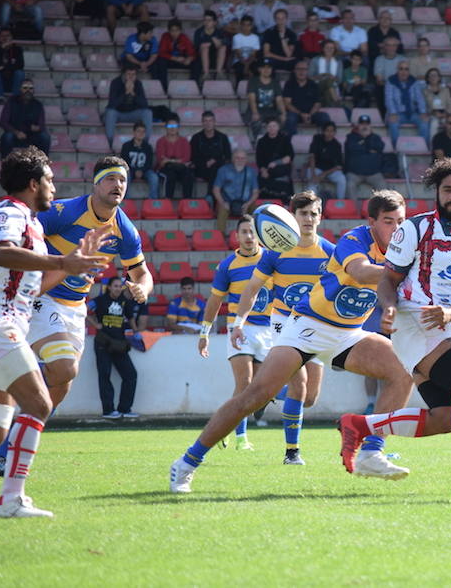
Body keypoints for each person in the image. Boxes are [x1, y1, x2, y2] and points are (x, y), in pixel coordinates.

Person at [170, 191, 412, 492]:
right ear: (372, 221)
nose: (397, 227)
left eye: (401, 221)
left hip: (348, 333)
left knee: (402, 370)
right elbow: (362, 274)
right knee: (254, 395)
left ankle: (371, 452)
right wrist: (406, 273)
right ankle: (186, 463)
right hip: (306, 326)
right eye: (389, 221)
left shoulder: (403, 249)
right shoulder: (354, 239)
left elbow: (401, 290)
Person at [337, 160, 451, 494]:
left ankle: (361, 425)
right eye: (446, 189)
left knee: (448, 416)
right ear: (437, 193)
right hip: (413, 318)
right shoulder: (414, 229)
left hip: (444, 323)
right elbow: (389, 280)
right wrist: (388, 308)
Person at [0, 156, 151, 481]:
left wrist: (142, 287)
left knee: (60, 386)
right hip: (42, 297)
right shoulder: (64, 212)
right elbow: (23, 243)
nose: (118, 185)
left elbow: (141, 271)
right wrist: (63, 264)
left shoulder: (124, 229)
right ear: (96, 183)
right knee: (63, 368)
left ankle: (4, 456)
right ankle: (14, 381)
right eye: (111, 179)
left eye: (123, 181)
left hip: (74, 307)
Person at [0, 148, 108, 517]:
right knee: (38, 404)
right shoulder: (8, 212)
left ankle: (10, 500)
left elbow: (31, 287)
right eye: (49, 179)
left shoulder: (32, 224)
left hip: (3, 324)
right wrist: (62, 260)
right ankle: (11, 500)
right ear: (33, 183)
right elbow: (1, 253)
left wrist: (72, 267)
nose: (54, 186)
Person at [231, 192, 335, 465]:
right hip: (284, 324)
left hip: (317, 325)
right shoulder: (274, 253)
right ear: (292, 217)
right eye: (303, 214)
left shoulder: (331, 252)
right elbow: (252, 290)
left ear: (320, 216)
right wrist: (238, 323)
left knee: (309, 398)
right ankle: (292, 453)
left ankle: (268, 392)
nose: (309, 219)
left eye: (314, 213)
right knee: (298, 386)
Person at [193, 215, 275, 452]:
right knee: (245, 384)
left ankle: (222, 426)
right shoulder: (228, 265)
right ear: (237, 236)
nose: (249, 237)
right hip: (239, 329)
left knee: (259, 391)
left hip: (268, 331)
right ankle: (241, 439)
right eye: (244, 232)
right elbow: (215, 300)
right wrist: (204, 332)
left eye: (252, 232)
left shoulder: (271, 260)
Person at [87, 277, 139, 420]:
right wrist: (95, 324)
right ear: (109, 287)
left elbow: (131, 318)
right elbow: (84, 310)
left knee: (131, 375)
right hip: (103, 343)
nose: (117, 288)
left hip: (119, 344)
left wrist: (136, 332)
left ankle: (124, 409)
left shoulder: (124, 301)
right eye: (115, 286)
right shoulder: (100, 300)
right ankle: (108, 410)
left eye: (119, 286)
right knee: (105, 375)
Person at [0, 78, 48, 158]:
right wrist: (16, 132)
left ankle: (43, 163)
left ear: (33, 90)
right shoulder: (11, 102)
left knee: (45, 137)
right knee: (7, 137)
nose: (28, 90)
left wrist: (37, 128)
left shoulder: (38, 105)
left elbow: (42, 125)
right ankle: (6, 162)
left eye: (30, 88)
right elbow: (3, 122)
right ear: (20, 89)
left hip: (31, 136)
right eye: (25, 88)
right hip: (14, 135)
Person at [105, 66, 153, 146]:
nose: (131, 76)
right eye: (128, 74)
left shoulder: (138, 83)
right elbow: (112, 105)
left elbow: (145, 105)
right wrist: (126, 93)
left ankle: (144, 143)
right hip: (118, 114)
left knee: (148, 113)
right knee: (110, 113)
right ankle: (110, 143)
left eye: (133, 74)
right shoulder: (115, 82)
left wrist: (133, 93)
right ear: (123, 74)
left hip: (133, 114)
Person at [213, 149, 259, 232]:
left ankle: (256, 236)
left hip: (245, 203)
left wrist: (247, 204)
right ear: (233, 159)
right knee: (222, 209)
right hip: (227, 202)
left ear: (246, 160)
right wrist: (223, 202)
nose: (240, 160)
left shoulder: (251, 172)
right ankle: (221, 237)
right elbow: (216, 189)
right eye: (237, 158)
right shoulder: (223, 170)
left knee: (257, 211)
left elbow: (255, 192)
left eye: (243, 158)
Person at [386, 61, 430, 146]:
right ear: (397, 70)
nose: (403, 72)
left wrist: (423, 112)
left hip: (412, 112)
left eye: (406, 69)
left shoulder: (414, 81)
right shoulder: (391, 81)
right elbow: (389, 99)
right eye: (401, 69)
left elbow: (419, 98)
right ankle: (396, 149)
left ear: (409, 71)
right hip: (397, 113)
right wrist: (393, 113)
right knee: (393, 123)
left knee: (424, 122)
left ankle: (423, 147)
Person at [345, 115, 388, 199]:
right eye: (362, 124)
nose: (364, 126)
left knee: (383, 188)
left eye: (367, 124)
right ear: (358, 126)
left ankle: (380, 211)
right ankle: (354, 212)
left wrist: (366, 139)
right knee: (349, 185)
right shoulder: (351, 137)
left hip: (374, 173)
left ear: (370, 126)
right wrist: (369, 149)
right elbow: (352, 148)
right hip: (354, 173)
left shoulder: (375, 138)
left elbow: (380, 147)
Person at [190, 111, 232, 190]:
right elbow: (193, 157)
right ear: (202, 123)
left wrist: (215, 161)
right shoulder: (196, 138)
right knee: (216, 171)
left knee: (216, 168)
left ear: (214, 122)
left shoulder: (222, 137)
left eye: (210, 121)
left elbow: (228, 156)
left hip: (219, 167)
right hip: (202, 168)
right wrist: (206, 163)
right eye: (205, 121)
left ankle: (210, 196)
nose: (208, 123)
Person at [154, 116, 193, 199]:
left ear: (178, 128)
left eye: (174, 126)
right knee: (170, 174)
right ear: (166, 127)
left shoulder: (184, 141)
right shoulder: (161, 141)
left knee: (188, 175)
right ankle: (167, 200)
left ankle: (187, 202)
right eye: (170, 126)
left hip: (181, 168)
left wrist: (170, 160)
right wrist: (178, 161)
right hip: (165, 169)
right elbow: (161, 161)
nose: (172, 129)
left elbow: (187, 158)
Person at [282, 61, 327, 135]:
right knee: (290, 118)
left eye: (304, 69)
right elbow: (287, 103)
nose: (301, 71)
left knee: (324, 117)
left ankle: (323, 142)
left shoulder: (313, 85)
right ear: (294, 71)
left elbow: (317, 104)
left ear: (307, 71)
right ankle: (290, 142)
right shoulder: (289, 84)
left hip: (311, 114)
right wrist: (301, 114)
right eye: (299, 69)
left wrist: (310, 115)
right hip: (295, 114)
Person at [255, 119, 295, 201]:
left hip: (281, 169)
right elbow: (259, 159)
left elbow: (289, 156)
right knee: (262, 179)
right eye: (269, 126)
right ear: (266, 128)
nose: (272, 128)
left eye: (274, 126)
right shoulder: (261, 141)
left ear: (278, 127)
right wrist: (263, 170)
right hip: (266, 170)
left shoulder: (284, 139)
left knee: (282, 179)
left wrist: (276, 163)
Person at [245, 60, 285, 140]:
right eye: (264, 68)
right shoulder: (253, 81)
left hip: (271, 112)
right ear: (259, 69)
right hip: (255, 111)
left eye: (269, 68)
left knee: (281, 121)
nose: (266, 70)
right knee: (257, 122)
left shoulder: (275, 82)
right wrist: (255, 113)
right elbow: (251, 99)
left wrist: (284, 113)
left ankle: (276, 143)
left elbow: (279, 100)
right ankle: (258, 142)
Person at [153, 19, 196, 91]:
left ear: (180, 30)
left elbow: (192, 53)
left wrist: (189, 59)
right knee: (160, 61)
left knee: (196, 63)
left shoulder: (184, 37)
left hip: (182, 61)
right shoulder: (165, 36)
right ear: (169, 31)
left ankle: (193, 86)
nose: (175, 33)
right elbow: (161, 52)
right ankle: (163, 88)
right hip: (170, 61)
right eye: (172, 30)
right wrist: (175, 58)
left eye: (177, 30)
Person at [307, 121, 347, 199]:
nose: (329, 133)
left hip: (330, 170)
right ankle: (310, 204)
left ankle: (340, 203)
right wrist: (313, 174)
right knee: (312, 181)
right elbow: (312, 157)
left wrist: (324, 174)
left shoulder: (337, 145)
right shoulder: (317, 139)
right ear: (323, 131)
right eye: (327, 131)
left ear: (335, 132)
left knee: (342, 179)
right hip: (316, 168)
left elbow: (339, 166)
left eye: (332, 131)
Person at [120, 121, 160, 199]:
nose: (141, 133)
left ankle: (152, 201)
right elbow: (124, 163)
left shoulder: (148, 147)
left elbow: (149, 163)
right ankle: (125, 200)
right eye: (139, 131)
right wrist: (135, 171)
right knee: (125, 175)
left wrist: (142, 171)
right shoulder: (126, 146)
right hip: (130, 170)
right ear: (134, 132)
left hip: (145, 171)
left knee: (154, 177)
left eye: (143, 132)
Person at [0, 27, 25, 103]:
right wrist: (2, 48)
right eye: (2, 36)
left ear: (11, 37)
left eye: (7, 35)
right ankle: (0, 98)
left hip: (13, 82)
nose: (5, 38)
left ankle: (15, 99)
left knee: (20, 73)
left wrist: (2, 67)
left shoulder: (17, 49)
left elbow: (20, 65)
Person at [373, 35, 407, 114]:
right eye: (388, 45)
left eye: (394, 45)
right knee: (380, 89)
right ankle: (384, 116)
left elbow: (405, 77)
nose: (391, 48)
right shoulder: (379, 59)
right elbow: (379, 79)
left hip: (399, 85)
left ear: (397, 47)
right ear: (384, 47)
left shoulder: (403, 59)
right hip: (385, 86)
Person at [193, 10, 229, 80]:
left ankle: (219, 72)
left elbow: (228, 41)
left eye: (209, 20)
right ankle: (206, 73)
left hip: (215, 58)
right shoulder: (199, 31)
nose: (206, 22)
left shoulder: (219, 32)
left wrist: (220, 42)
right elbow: (196, 45)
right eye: (205, 20)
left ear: (215, 22)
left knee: (223, 46)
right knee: (204, 46)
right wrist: (212, 40)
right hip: (201, 59)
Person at [421, 67, 451, 133]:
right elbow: (423, 106)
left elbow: (450, 105)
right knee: (434, 123)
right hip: (431, 114)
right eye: (431, 75)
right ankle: (433, 143)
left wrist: (445, 114)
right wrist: (433, 113)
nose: (433, 77)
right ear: (428, 78)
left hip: (445, 113)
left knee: (449, 123)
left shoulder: (446, 90)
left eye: (435, 75)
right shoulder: (424, 91)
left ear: (439, 78)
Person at [230, 15, 261, 84]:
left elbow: (253, 55)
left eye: (248, 25)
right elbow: (238, 55)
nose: (246, 27)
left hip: (251, 60)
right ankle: (238, 88)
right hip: (239, 61)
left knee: (256, 69)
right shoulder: (236, 37)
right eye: (244, 25)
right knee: (239, 69)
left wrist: (247, 66)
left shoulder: (255, 38)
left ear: (252, 26)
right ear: (241, 25)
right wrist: (246, 67)